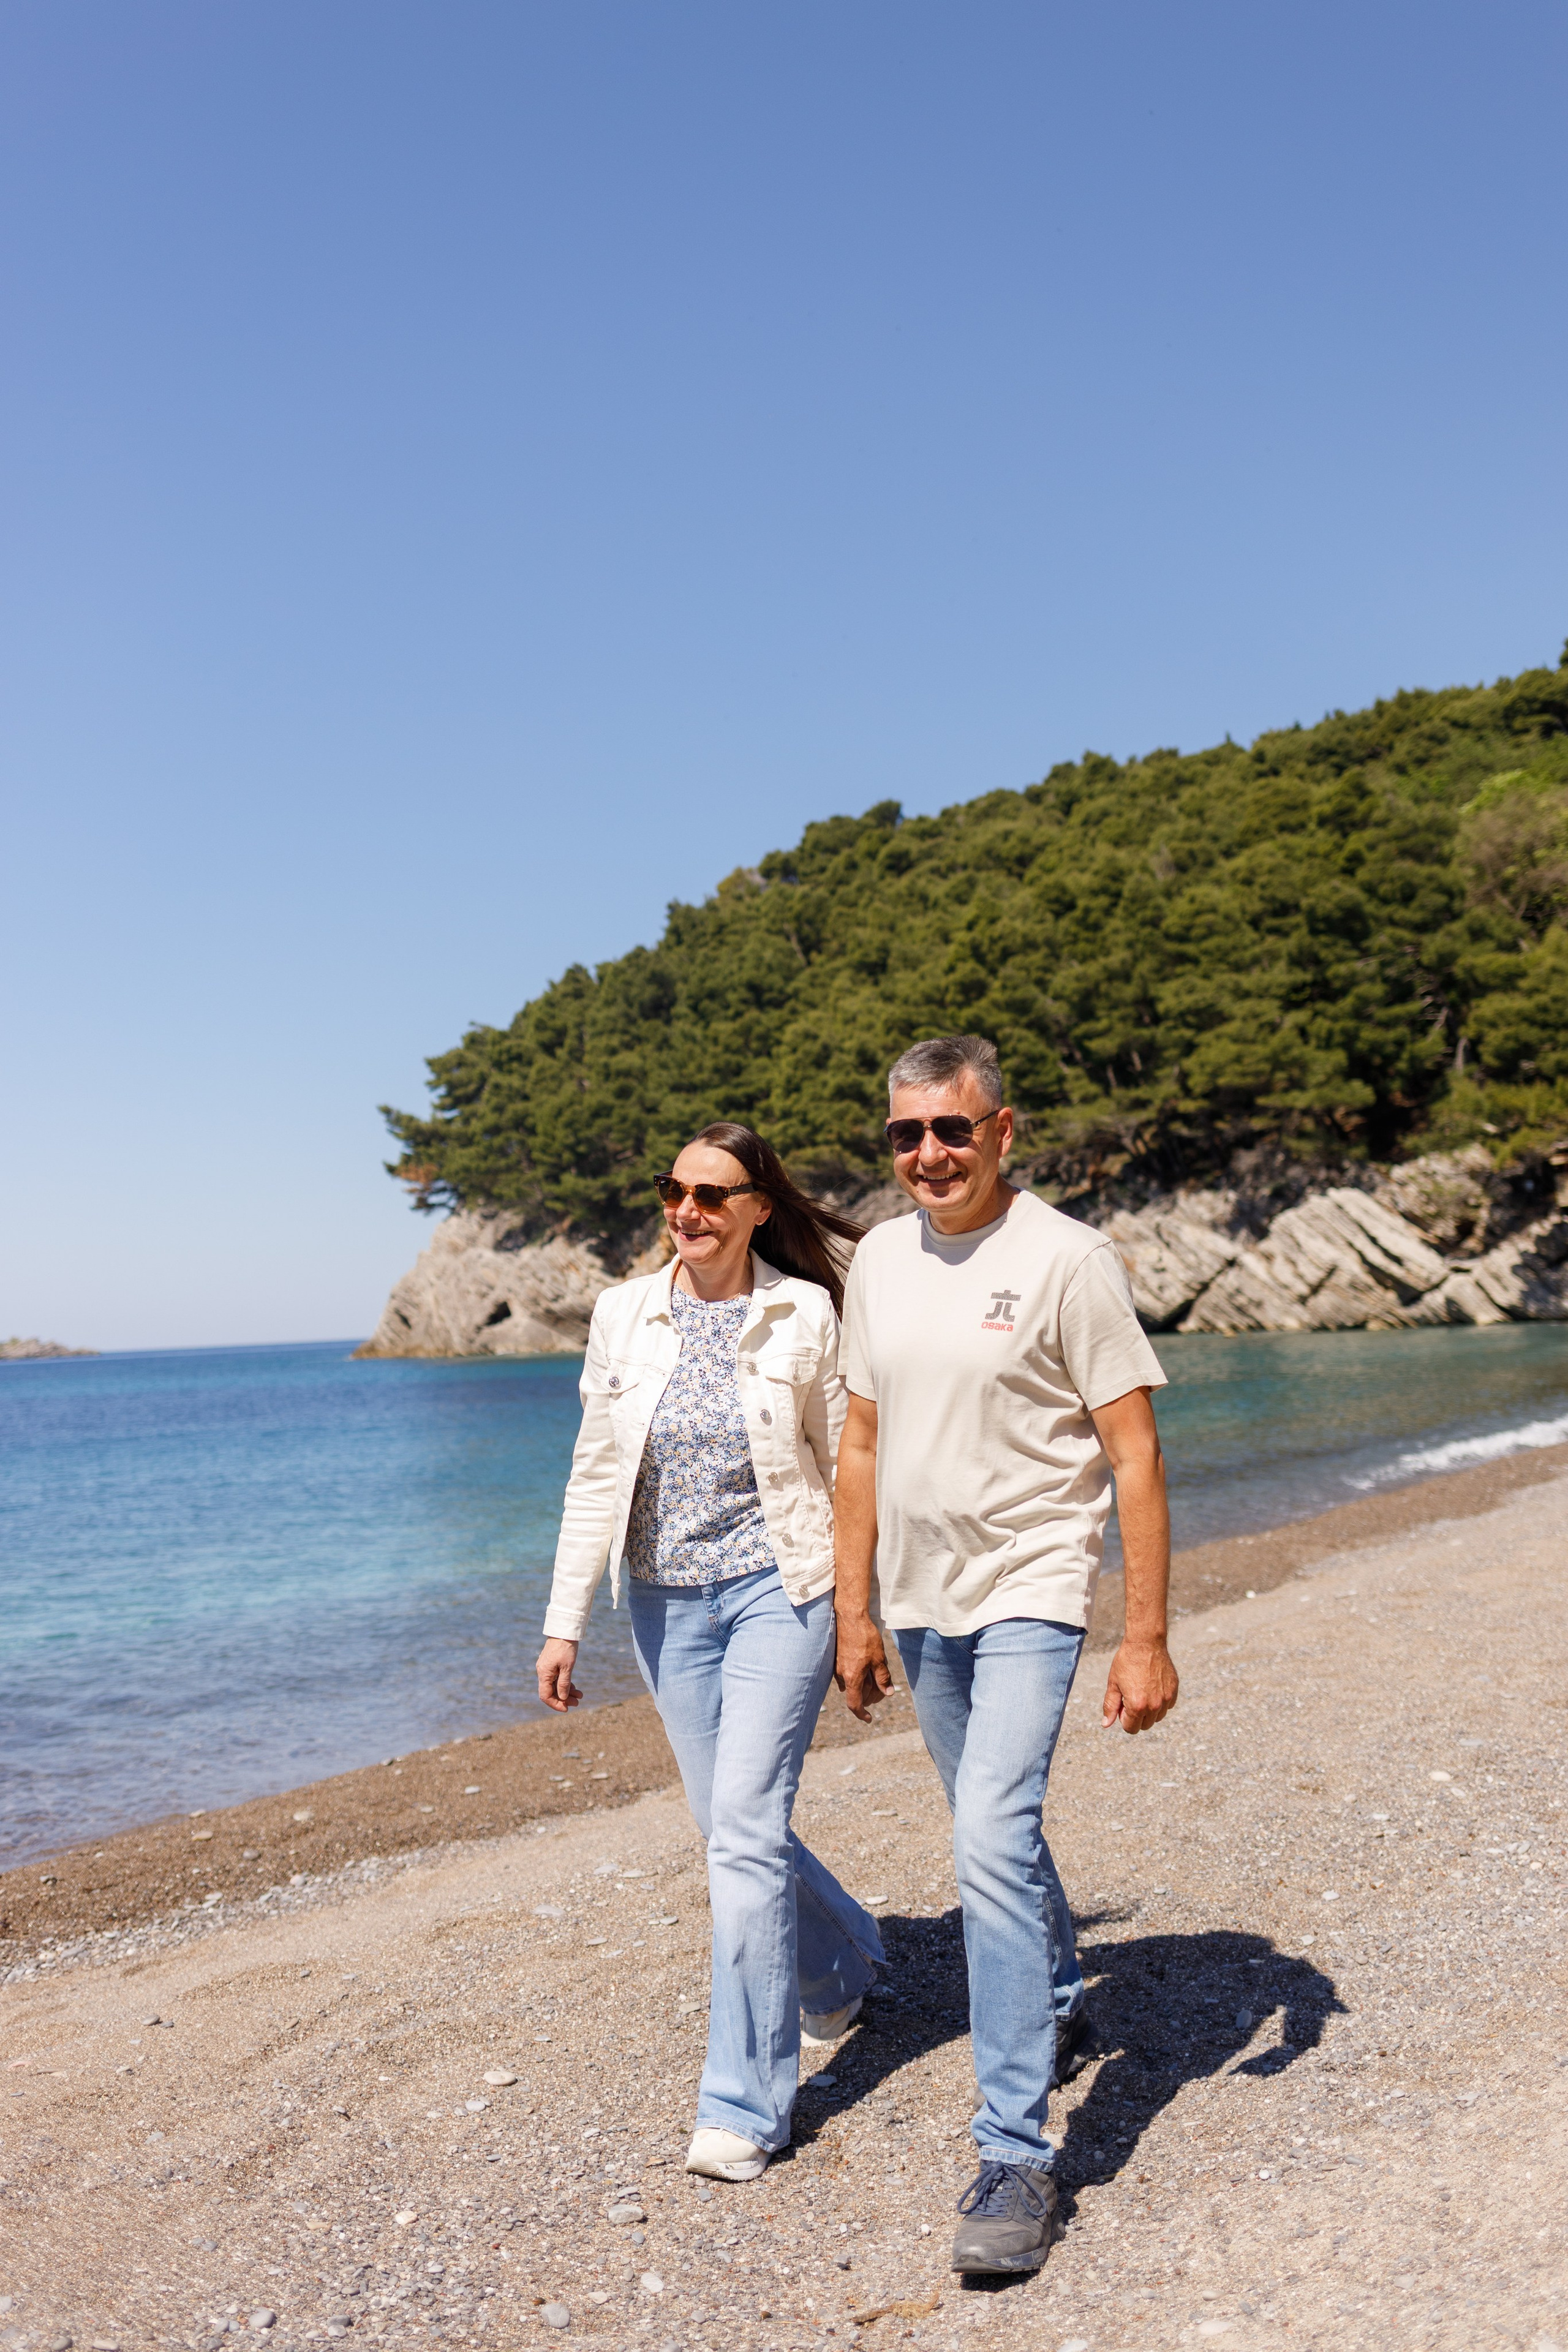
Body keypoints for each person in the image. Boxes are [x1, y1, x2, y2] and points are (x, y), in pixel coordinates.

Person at [832, 1035, 1178, 2275]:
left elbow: (1132, 1453)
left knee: (984, 1835)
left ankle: (1015, 2153)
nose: (929, 1153)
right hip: (918, 1601)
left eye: (952, 1129)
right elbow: (861, 1442)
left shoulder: (1066, 1260)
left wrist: (1141, 1636)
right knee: (998, 1833)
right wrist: (851, 1609)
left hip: (1031, 1586)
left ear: (1001, 1130)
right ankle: (1061, 1996)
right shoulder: (875, 1258)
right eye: (905, 1134)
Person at [536, 1122, 884, 2184]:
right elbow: (597, 1472)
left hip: (782, 1590)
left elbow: (847, 1469)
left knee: (740, 1838)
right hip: (663, 1605)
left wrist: (859, 1614)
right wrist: (562, 1619)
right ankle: (843, 1961)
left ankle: (745, 2102)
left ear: (759, 1208)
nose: (688, 1211)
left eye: (713, 1195)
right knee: (725, 1822)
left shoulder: (804, 1312)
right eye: (674, 1191)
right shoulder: (622, 1316)